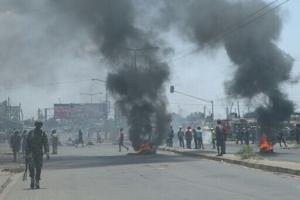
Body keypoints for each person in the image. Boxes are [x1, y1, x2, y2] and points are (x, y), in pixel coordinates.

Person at [26, 121, 49, 189]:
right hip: (33, 153)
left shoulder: (42, 133)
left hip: (37, 153)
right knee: (32, 167)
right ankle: (33, 181)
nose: (38, 126)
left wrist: (47, 152)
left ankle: (36, 182)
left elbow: (45, 144)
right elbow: (27, 143)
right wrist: (27, 153)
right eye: (38, 125)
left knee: (37, 168)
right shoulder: (32, 133)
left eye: (39, 125)